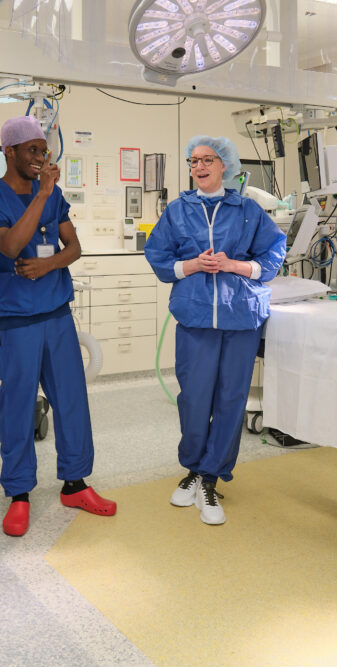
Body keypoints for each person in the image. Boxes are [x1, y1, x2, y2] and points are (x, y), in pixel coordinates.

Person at [0, 115, 116, 536]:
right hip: (18, 322)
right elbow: (10, 246)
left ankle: (75, 483)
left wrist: (48, 265)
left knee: (71, 400)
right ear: (9, 152)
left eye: (43, 150)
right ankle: (19, 493)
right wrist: (44, 194)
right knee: (18, 407)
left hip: (57, 316)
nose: (40, 157)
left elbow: (74, 247)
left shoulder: (52, 194)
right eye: (32, 150)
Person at [144, 135, 286, 525]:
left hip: (239, 317)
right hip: (195, 317)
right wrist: (191, 265)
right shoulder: (178, 211)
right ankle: (193, 468)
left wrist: (234, 265)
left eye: (208, 159)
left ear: (225, 165)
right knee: (194, 398)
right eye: (193, 161)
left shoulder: (247, 210)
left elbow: (274, 252)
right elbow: (157, 254)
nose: (200, 166)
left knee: (231, 400)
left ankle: (211, 477)